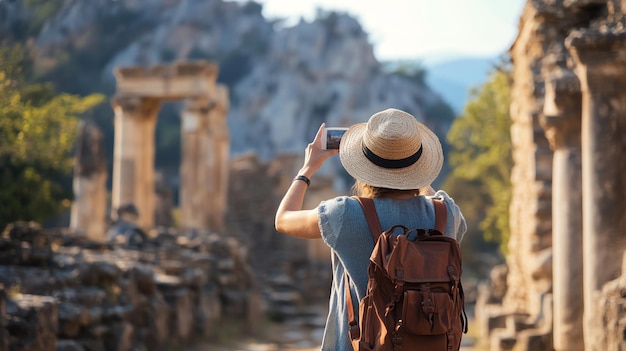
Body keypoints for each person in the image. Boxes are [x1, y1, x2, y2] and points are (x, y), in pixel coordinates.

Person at [274, 108, 467, 351]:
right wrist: (413, 169)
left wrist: (307, 169)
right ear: (419, 165)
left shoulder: (345, 214)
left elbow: (283, 220)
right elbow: (430, 193)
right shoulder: (447, 213)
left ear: (364, 167)